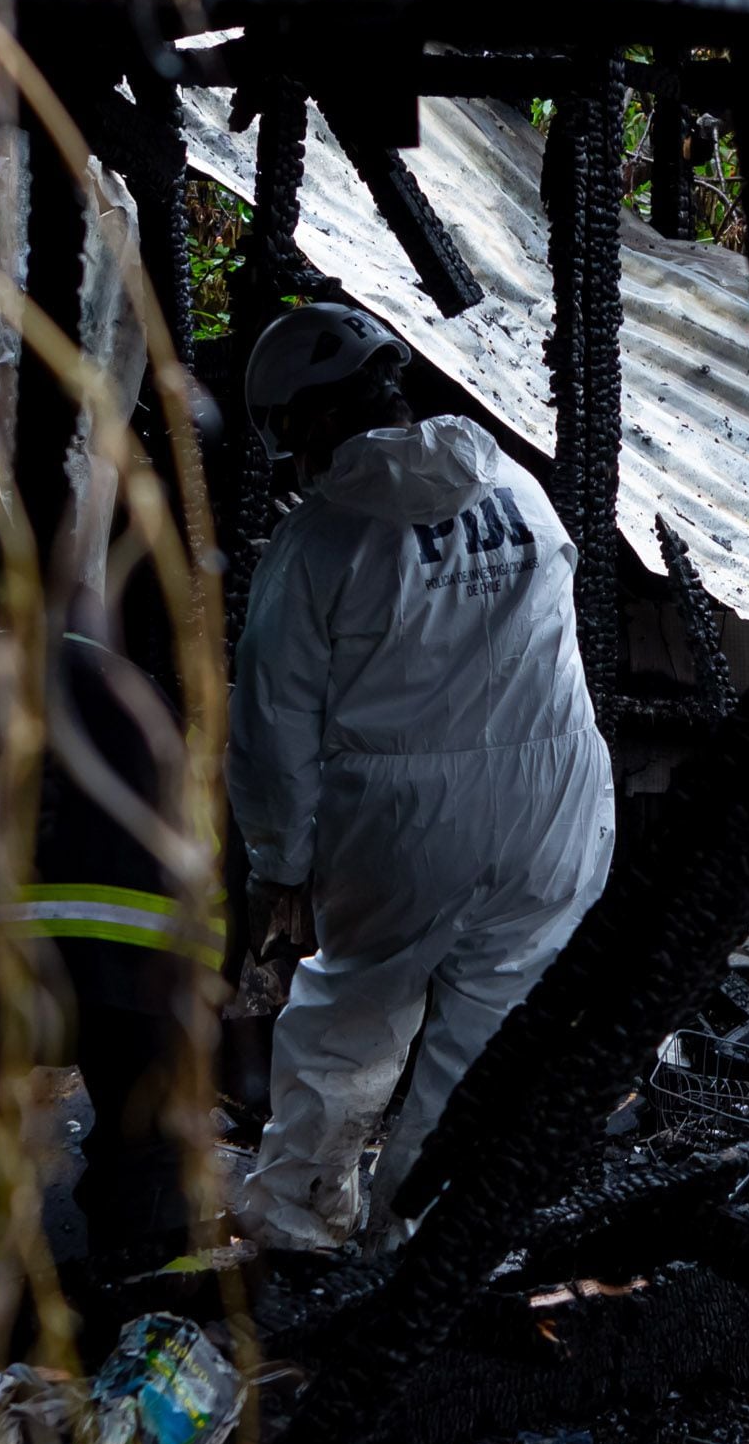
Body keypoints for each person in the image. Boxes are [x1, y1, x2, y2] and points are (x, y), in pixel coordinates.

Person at [228, 305, 615, 1256]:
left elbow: (272, 721)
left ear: (310, 422)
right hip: (555, 804)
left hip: (404, 823)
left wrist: (280, 863)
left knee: (350, 1015)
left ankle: (299, 1220)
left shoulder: (321, 541)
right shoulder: (517, 489)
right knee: (489, 1035)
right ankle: (427, 1236)